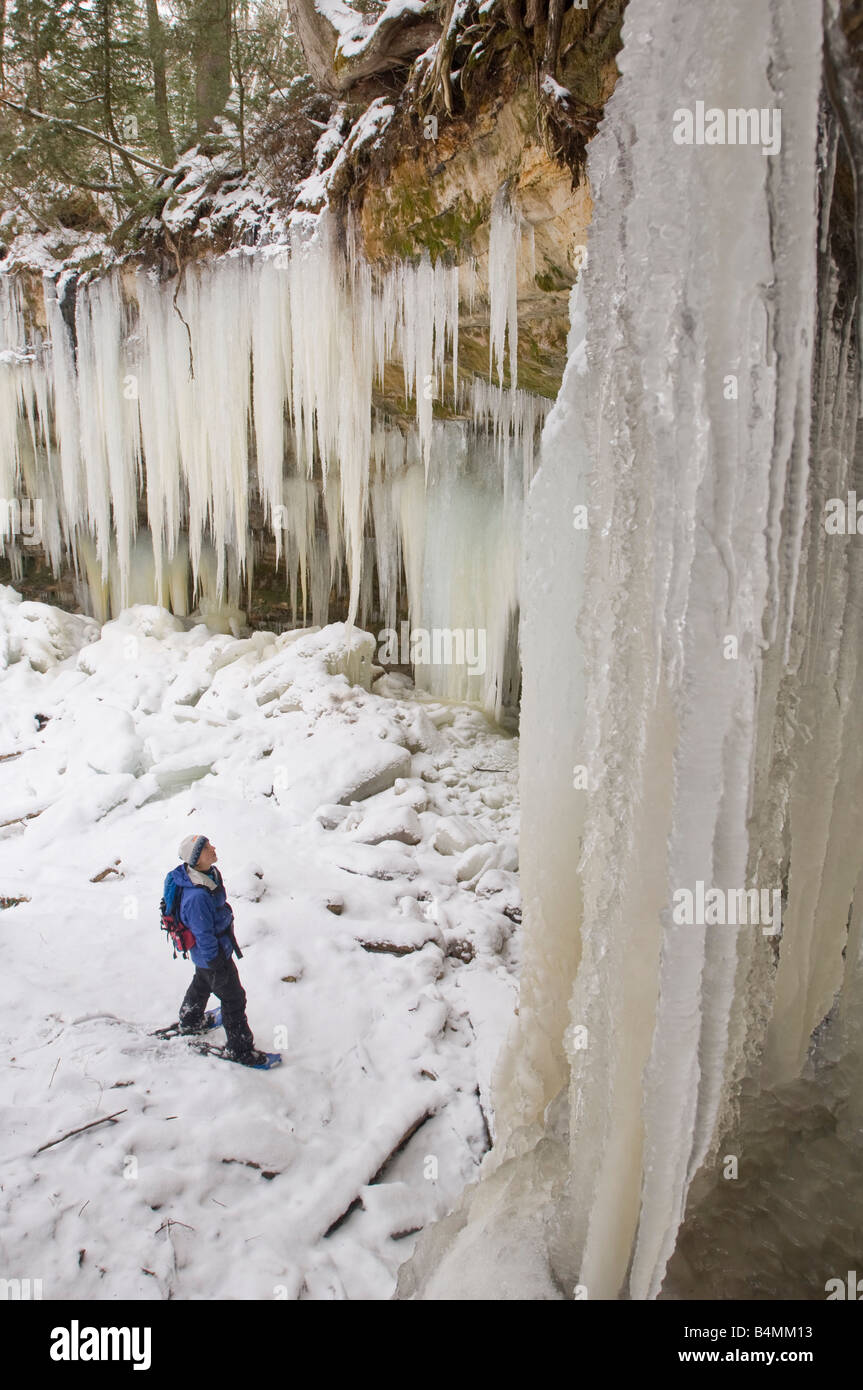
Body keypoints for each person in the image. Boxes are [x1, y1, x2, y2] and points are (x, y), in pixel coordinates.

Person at [169, 834, 269, 1068]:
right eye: (206, 848)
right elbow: (203, 933)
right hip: (212, 955)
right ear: (196, 859)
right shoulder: (197, 896)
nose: (213, 848)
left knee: (202, 982)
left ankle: (190, 1020)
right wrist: (216, 962)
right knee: (233, 998)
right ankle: (240, 1048)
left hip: (209, 954)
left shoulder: (208, 876)